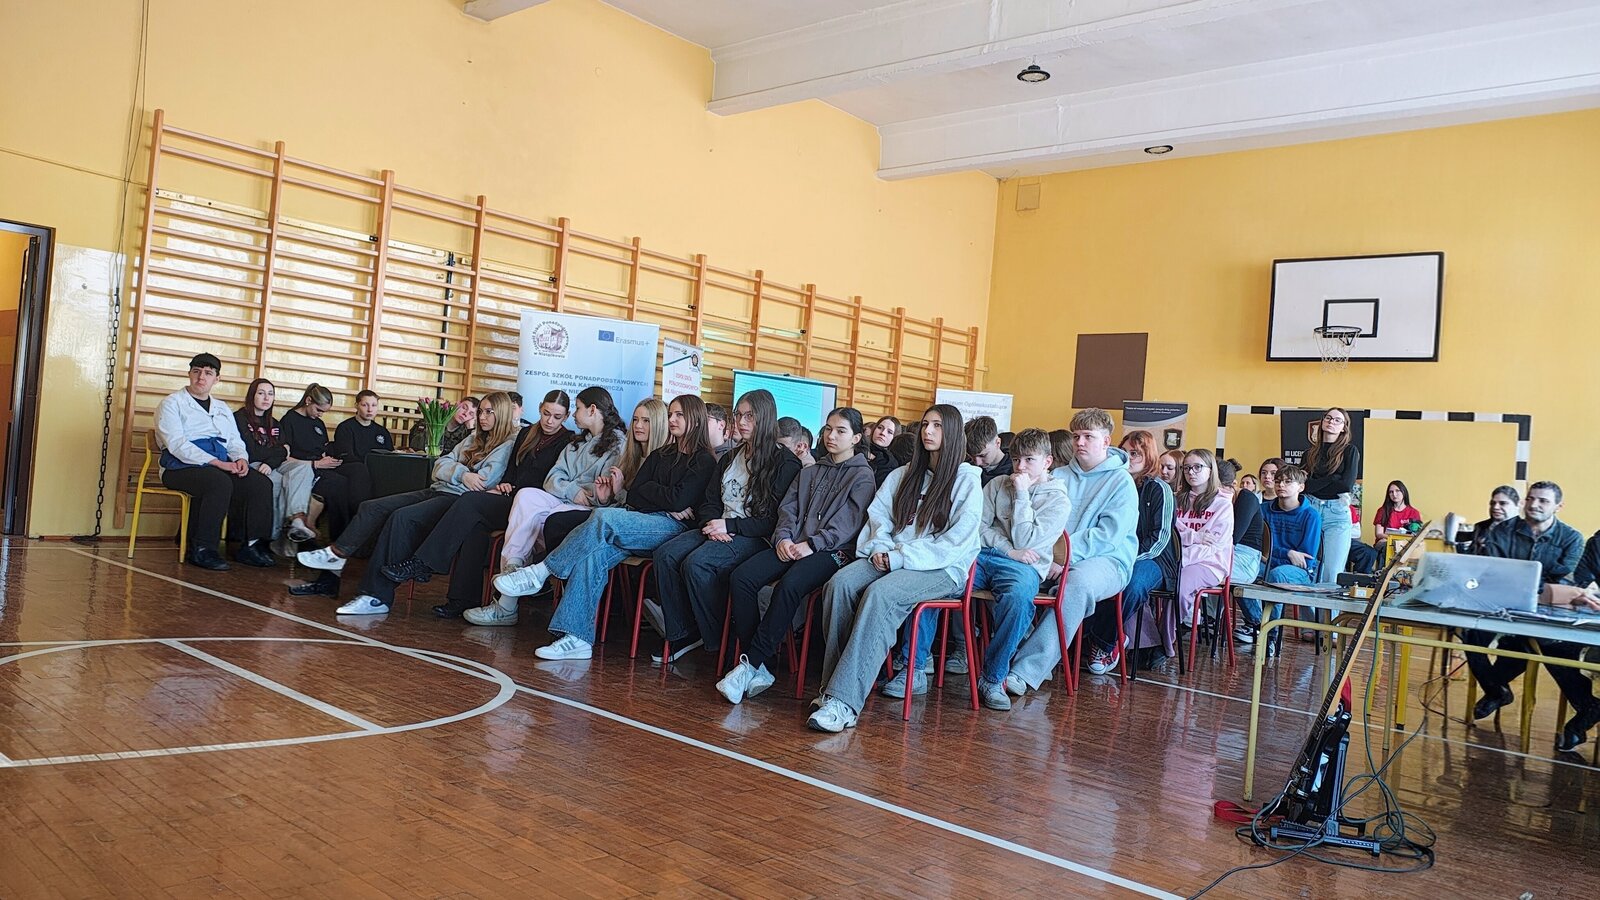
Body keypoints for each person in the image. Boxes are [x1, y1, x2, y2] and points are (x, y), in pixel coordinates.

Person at [492, 395, 718, 661]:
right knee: (592, 555)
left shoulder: (704, 460)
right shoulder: (661, 454)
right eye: (671, 414)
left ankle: (541, 572)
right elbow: (636, 494)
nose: (672, 419)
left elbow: (676, 500)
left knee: (603, 517)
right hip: (642, 518)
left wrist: (661, 497)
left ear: (695, 419)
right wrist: (665, 498)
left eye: (679, 415)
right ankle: (577, 637)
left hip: (673, 529)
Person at [806, 405, 982, 732]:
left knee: (881, 595)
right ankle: (831, 688)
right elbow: (879, 518)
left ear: (953, 433)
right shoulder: (903, 474)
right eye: (925, 424)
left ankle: (845, 702)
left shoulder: (967, 480)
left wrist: (899, 557)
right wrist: (882, 548)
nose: (928, 431)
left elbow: (954, 542)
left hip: (941, 568)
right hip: (891, 556)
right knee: (840, 584)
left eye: (937, 426)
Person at [892, 427, 1070, 710]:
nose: (1020, 467)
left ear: (1047, 461)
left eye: (1029, 460)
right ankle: (914, 668)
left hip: (1024, 567)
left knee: (1018, 598)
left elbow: (1027, 541)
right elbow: (977, 528)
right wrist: (1008, 549)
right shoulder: (997, 484)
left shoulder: (1058, 500)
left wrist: (1022, 495)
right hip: (983, 555)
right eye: (1016, 460)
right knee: (932, 580)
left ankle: (993, 677)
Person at [295, 392, 519, 614]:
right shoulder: (473, 438)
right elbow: (439, 465)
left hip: (456, 500)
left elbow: (483, 481)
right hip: (438, 489)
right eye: (481, 412)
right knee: (371, 507)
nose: (482, 417)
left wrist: (457, 472)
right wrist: (464, 474)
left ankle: (376, 596)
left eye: (488, 412)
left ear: (501, 413)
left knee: (401, 517)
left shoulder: (507, 444)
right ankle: (336, 554)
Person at [717, 407, 877, 704]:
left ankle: (748, 665)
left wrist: (812, 545)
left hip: (832, 551)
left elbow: (848, 523)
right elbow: (787, 509)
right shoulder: (811, 470)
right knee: (742, 577)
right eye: (828, 429)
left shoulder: (863, 477)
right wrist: (783, 538)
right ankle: (759, 664)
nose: (831, 436)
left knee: (790, 584)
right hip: (793, 544)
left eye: (841, 431)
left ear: (856, 438)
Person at [379, 390, 577, 619]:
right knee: (475, 526)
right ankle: (462, 599)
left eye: (557, 417)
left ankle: (425, 563)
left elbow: (551, 481)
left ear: (566, 416)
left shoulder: (568, 441)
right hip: (511, 497)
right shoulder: (526, 433)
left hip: (534, 508)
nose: (550, 421)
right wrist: (505, 484)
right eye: (546, 414)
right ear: (540, 408)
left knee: (470, 502)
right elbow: (512, 470)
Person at [648, 390, 802, 663]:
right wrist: (712, 523)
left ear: (765, 418)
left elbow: (772, 520)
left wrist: (729, 526)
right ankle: (683, 631)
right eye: (738, 415)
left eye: (749, 416)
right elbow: (709, 500)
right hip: (719, 527)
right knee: (665, 555)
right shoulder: (731, 457)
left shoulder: (785, 462)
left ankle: (719, 640)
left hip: (755, 536)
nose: (741, 422)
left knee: (697, 564)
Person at [1001, 408, 1138, 697]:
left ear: (1106, 441)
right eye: (1076, 436)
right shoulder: (1059, 475)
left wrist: (1065, 559)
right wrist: (1050, 557)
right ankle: (1014, 652)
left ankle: (1026, 671)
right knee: (1008, 574)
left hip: (1107, 561)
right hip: (1051, 556)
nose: (1080, 442)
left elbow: (1108, 536)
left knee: (1075, 585)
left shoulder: (1122, 481)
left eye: (1088, 436)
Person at [1463, 481, 1591, 749]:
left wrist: (1530, 584)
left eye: (1543, 500)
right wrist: (1542, 586)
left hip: (1552, 614)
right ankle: (1496, 690)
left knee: (1549, 650)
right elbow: (1495, 572)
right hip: (1506, 606)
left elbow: (1568, 584)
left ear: (1558, 506)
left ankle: (1586, 711)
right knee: (1471, 634)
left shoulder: (1572, 538)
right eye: (1531, 498)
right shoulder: (1503, 531)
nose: (1534, 504)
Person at [154, 353, 276, 570]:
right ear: (189, 374)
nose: (201, 377)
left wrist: (241, 459)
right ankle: (202, 549)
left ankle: (251, 545)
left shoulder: (222, 408)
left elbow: (234, 441)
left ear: (216, 379)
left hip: (218, 465)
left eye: (208, 373)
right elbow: (177, 444)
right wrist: (217, 463)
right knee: (219, 482)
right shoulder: (172, 403)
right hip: (179, 468)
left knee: (260, 484)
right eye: (197, 371)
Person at [1085, 430, 1176, 671]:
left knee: (1132, 583)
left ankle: (1103, 643)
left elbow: (1160, 539)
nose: (1128, 457)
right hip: (1114, 554)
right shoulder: (1112, 483)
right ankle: (1089, 638)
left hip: (1153, 559)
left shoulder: (1159, 489)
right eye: (1124, 451)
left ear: (1149, 456)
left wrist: (1127, 559)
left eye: (1135, 453)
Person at [232, 378, 309, 557]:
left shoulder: (274, 423)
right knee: (277, 480)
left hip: (272, 464)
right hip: (250, 464)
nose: (266, 398)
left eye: (270, 394)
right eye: (261, 393)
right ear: (252, 395)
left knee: (303, 468)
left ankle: (297, 519)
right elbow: (251, 451)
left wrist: (271, 461)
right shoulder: (239, 418)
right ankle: (269, 538)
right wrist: (277, 453)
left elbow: (284, 451)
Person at [1238, 464, 1321, 630]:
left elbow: (1305, 559)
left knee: (1277, 575)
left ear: (1301, 487)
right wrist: (1287, 553)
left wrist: (1271, 555)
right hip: (1267, 563)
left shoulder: (1311, 515)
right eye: (1278, 481)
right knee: (1239, 572)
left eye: (1288, 482)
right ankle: (1258, 623)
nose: (1281, 485)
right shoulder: (1262, 509)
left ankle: (1271, 633)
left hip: (1300, 572)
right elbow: (1256, 544)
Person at [1172, 450, 1234, 633]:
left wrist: (1181, 558)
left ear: (1210, 470)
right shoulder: (1176, 500)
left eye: (1197, 467)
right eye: (1187, 468)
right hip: (1178, 560)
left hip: (1210, 564)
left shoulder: (1223, 504)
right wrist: (1194, 537)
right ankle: (1155, 634)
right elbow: (1172, 535)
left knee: (1180, 585)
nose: (1191, 472)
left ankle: (1168, 634)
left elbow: (1213, 546)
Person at [1301, 408, 1360, 582]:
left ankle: (1329, 602)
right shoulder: (1309, 454)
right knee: (1307, 566)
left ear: (1344, 427)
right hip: (1311, 507)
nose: (1331, 422)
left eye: (1337, 420)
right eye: (1328, 418)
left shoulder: (1349, 451)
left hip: (1336, 511)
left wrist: (1317, 483)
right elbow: (1304, 486)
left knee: (1332, 571)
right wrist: (1332, 478)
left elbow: (1346, 484)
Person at [410, 396, 479, 453]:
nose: (465, 414)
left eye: (471, 414)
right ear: (457, 404)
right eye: (464, 408)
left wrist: (470, 429)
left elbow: (466, 455)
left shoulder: (466, 433)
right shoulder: (434, 421)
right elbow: (415, 447)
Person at [1466, 485, 1520, 554]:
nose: (1495, 507)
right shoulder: (1480, 526)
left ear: (1517, 505)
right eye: (1493, 503)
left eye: (1502, 503)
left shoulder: (1523, 529)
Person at [965, 415, 1013, 486]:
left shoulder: (1015, 470)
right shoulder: (966, 468)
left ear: (998, 443)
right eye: (972, 456)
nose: (977, 463)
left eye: (982, 455)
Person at [864, 415, 901, 485]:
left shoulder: (890, 463)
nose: (883, 433)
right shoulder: (857, 448)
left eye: (889, 432)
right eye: (880, 428)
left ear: (895, 437)